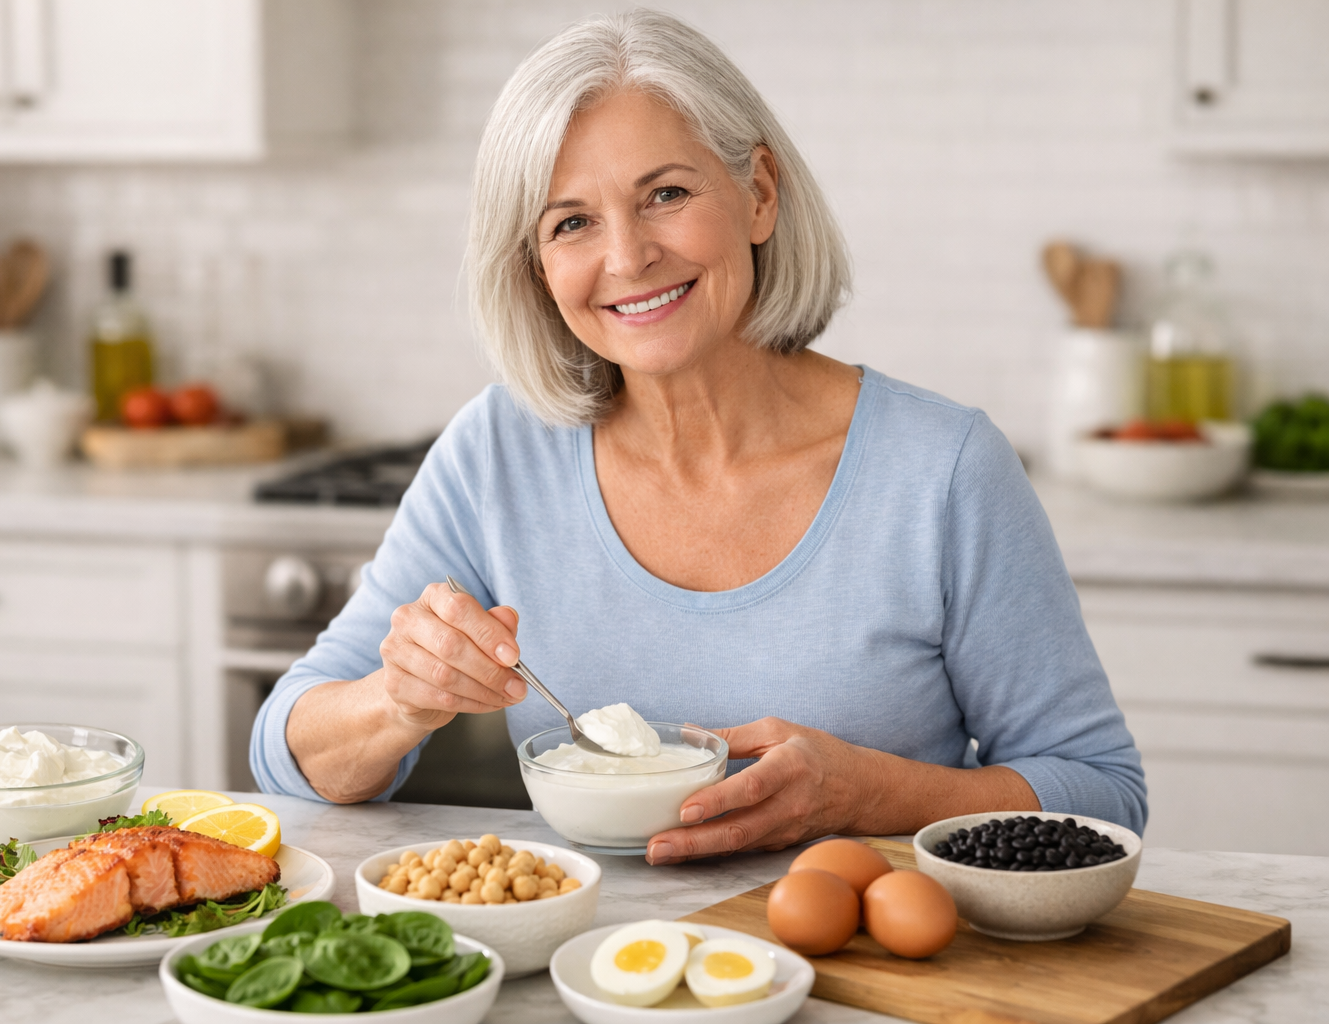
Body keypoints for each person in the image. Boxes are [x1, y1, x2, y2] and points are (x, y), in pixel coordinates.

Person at [252, 10, 1144, 864]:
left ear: (758, 194)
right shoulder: (499, 453)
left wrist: (873, 796)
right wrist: (396, 702)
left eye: (666, 195)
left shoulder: (942, 470)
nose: (628, 257)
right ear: (537, 268)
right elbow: (285, 754)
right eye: (572, 223)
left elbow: (1100, 793)